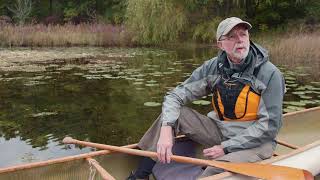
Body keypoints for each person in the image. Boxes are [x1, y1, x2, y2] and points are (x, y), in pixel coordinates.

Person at [127, 17, 286, 180]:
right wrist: (167, 129)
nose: (239, 40)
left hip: (258, 142)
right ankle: (140, 176)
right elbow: (175, 96)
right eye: (231, 36)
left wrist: (226, 148)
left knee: (215, 171)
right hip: (221, 130)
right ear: (220, 44)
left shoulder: (270, 74)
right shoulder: (213, 67)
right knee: (174, 116)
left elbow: (269, 127)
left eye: (243, 34)